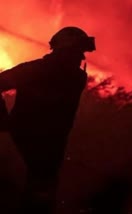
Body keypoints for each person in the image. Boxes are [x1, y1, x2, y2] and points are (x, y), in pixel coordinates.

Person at [0, 26, 96, 213]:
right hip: (37, 151)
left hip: (27, 147)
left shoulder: (34, 70)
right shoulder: (75, 77)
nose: (81, 58)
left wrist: (4, 124)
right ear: (66, 51)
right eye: (78, 52)